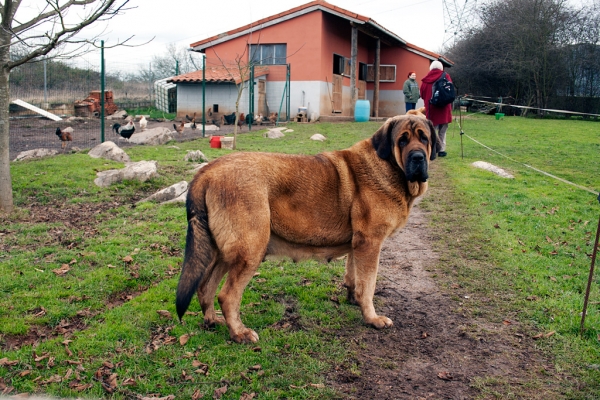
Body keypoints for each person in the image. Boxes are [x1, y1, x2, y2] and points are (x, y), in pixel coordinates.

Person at [420, 61, 452, 157]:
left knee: (431, 130)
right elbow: (450, 91)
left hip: (431, 109)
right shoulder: (446, 76)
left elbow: (422, 94)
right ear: (441, 67)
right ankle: (442, 149)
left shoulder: (426, 79)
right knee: (443, 131)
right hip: (444, 108)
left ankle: (432, 149)